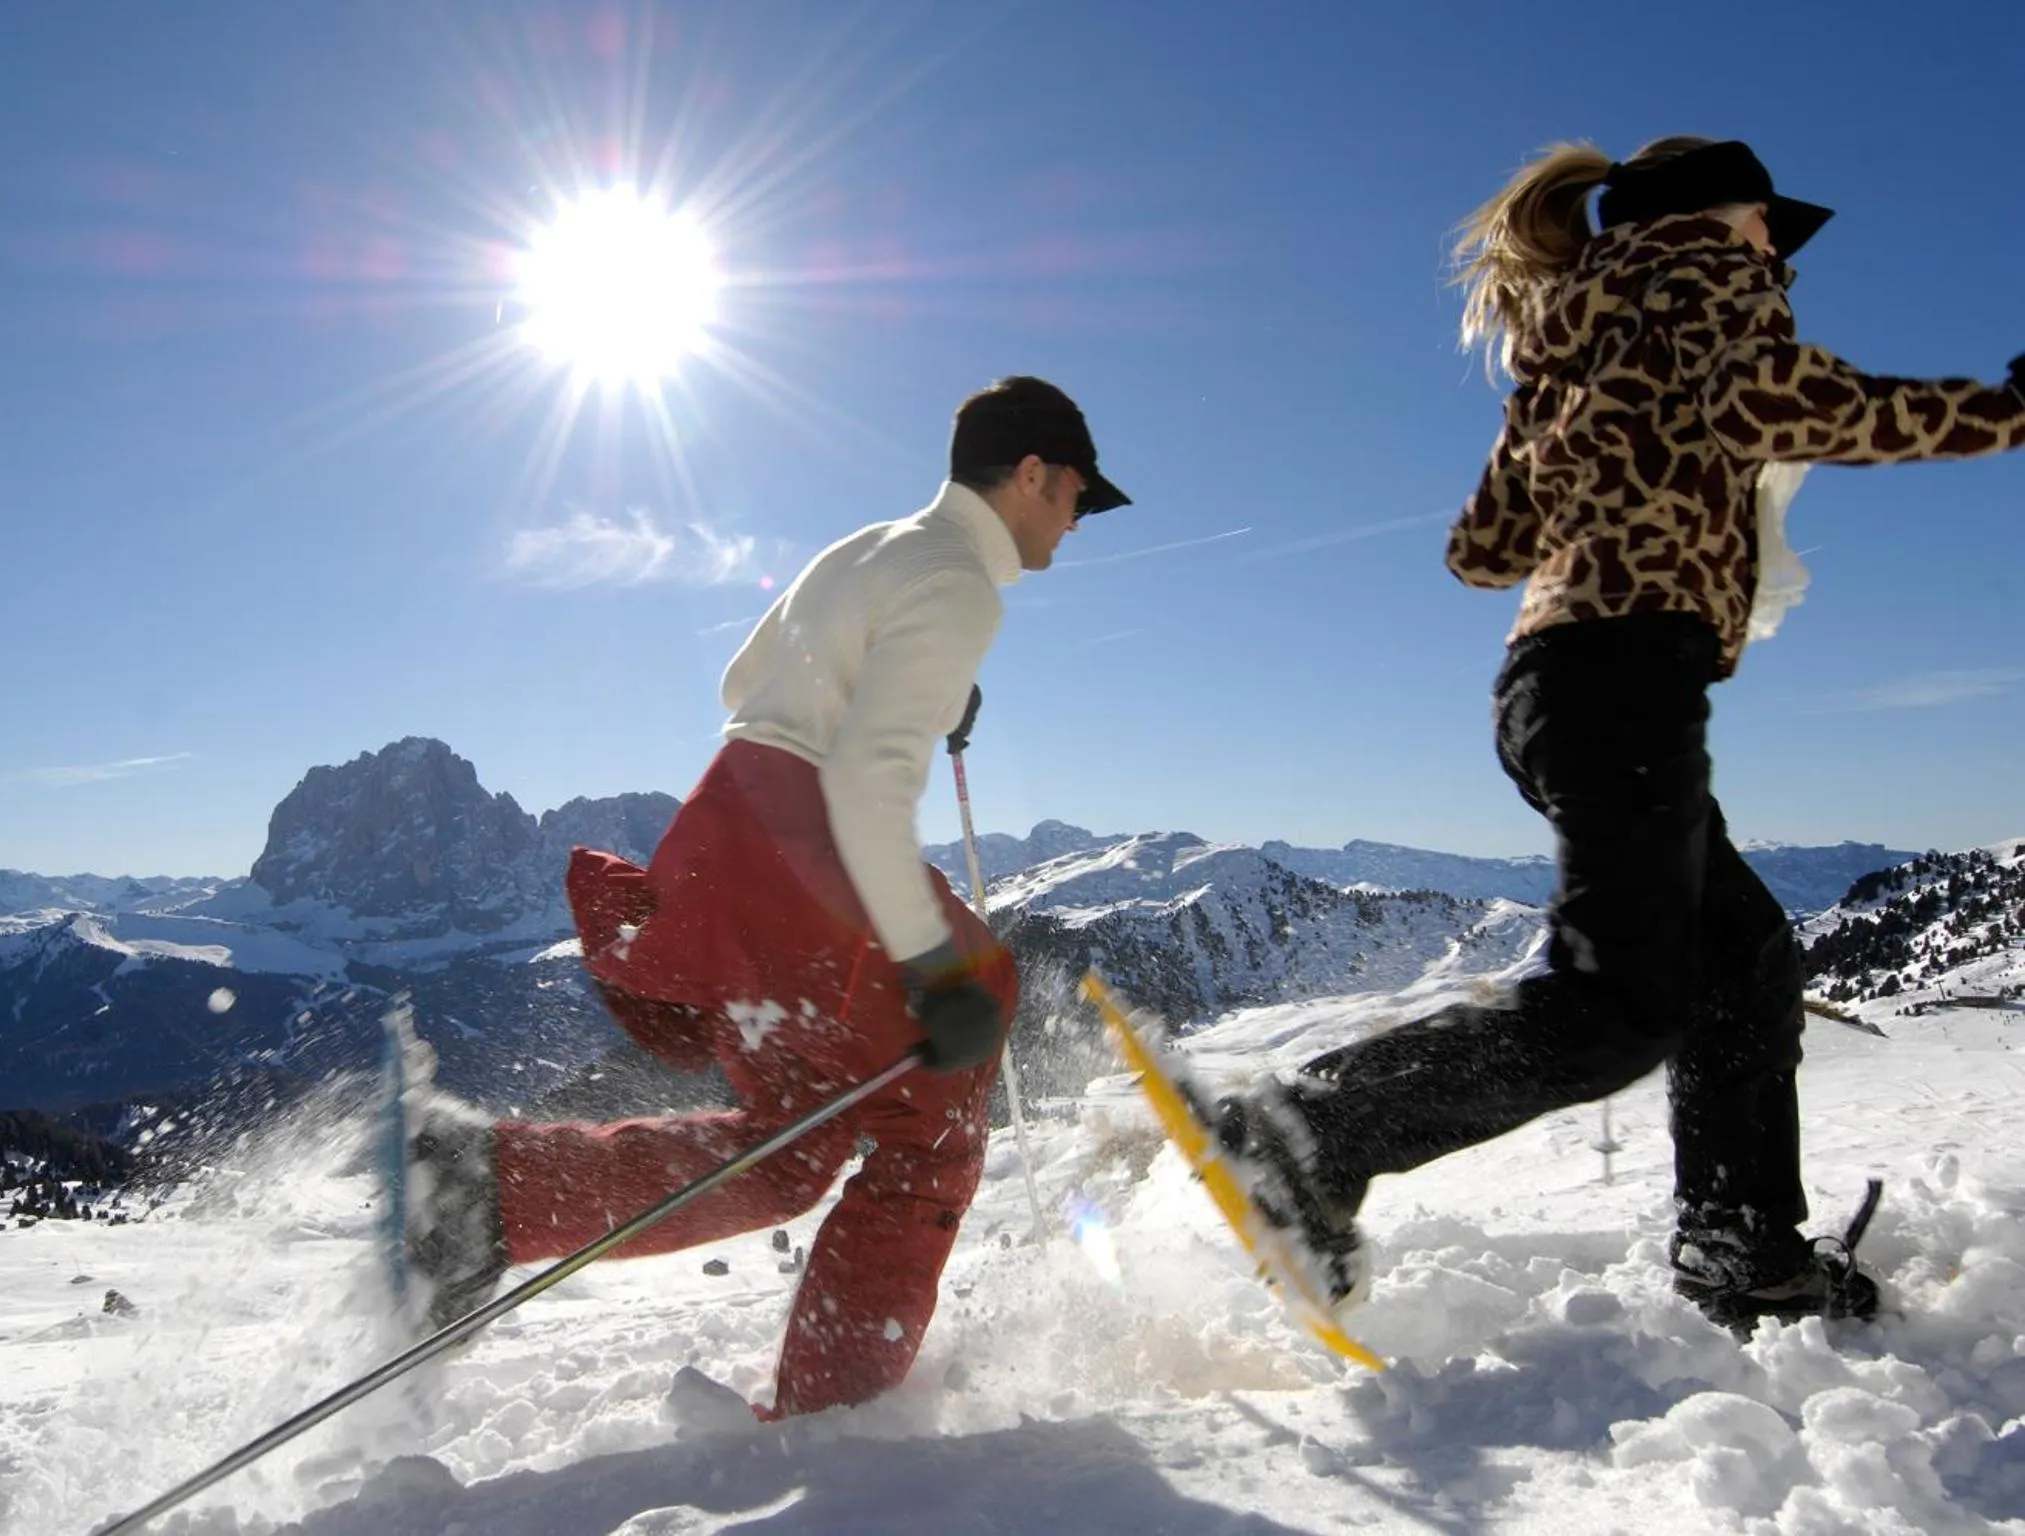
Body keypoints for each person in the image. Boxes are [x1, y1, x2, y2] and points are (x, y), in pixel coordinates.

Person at [1214, 136, 2025, 1333]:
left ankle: (1739, 1239)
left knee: (1739, 956)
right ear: (1722, 212)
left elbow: (1479, 551)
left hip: (1553, 687)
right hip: (1625, 677)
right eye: (1766, 224)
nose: (1774, 251)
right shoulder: (1704, 271)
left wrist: (1607, 467)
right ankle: (1309, 1130)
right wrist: (2005, 413)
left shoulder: (1568, 340)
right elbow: (1785, 400)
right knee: (1615, 1012)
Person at [406, 375, 1131, 1415]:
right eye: (1073, 496)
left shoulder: (871, 548)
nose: (1074, 520)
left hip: (728, 821)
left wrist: (899, 682)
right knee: (940, 1112)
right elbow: (869, 787)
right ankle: (837, 1427)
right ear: (1030, 475)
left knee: (791, 1148)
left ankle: (488, 1191)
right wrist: (932, 966)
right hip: (804, 840)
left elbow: (745, 683)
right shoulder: (959, 583)